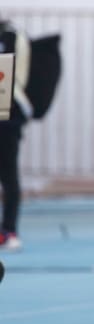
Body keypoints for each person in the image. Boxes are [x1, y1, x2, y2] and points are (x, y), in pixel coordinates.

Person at [0, 19, 31, 251]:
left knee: (8, 173)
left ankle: (9, 229)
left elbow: (7, 76)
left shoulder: (11, 36)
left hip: (8, 112)